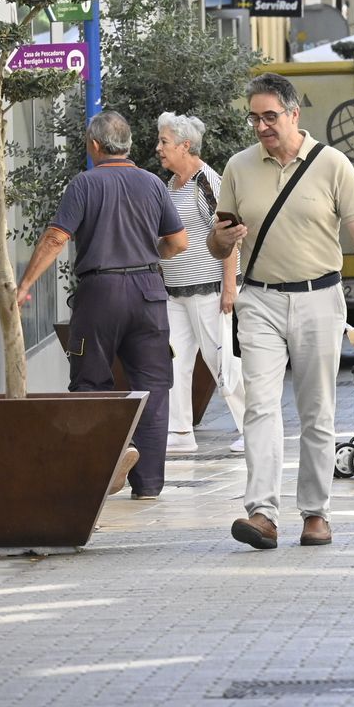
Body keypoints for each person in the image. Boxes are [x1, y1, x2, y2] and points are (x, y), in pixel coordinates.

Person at [209, 72, 354, 550]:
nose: (261, 126)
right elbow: (217, 239)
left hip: (320, 298)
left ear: (294, 114)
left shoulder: (332, 165)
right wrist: (222, 241)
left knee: (317, 410)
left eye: (270, 116)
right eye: (254, 117)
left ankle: (315, 513)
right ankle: (263, 513)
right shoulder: (238, 167)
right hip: (261, 299)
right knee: (261, 407)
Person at [17, 111, 188, 500]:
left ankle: (97, 469)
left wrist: (25, 284)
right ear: (127, 144)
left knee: (91, 384)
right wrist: (148, 254)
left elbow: (57, 238)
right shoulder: (152, 183)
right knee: (153, 387)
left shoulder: (84, 184)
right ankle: (148, 484)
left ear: (94, 145)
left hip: (100, 293)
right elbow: (178, 243)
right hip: (149, 292)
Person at [155, 112, 247, 456]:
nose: (159, 149)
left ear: (185, 145)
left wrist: (229, 288)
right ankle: (179, 431)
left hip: (209, 289)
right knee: (173, 360)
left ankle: (253, 429)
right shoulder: (171, 185)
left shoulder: (205, 182)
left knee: (222, 360)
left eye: (164, 142)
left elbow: (228, 236)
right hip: (176, 292)